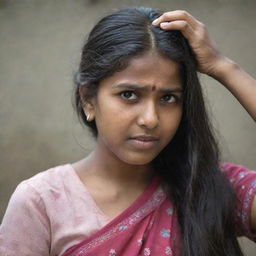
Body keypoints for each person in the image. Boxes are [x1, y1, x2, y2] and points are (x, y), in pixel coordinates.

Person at [0, 6, 256, 256]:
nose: (150, 119)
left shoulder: (208, 188)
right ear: (89, 99)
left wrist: (224, 67)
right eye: (129, 94)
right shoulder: (43, 202)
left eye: (168, 98)